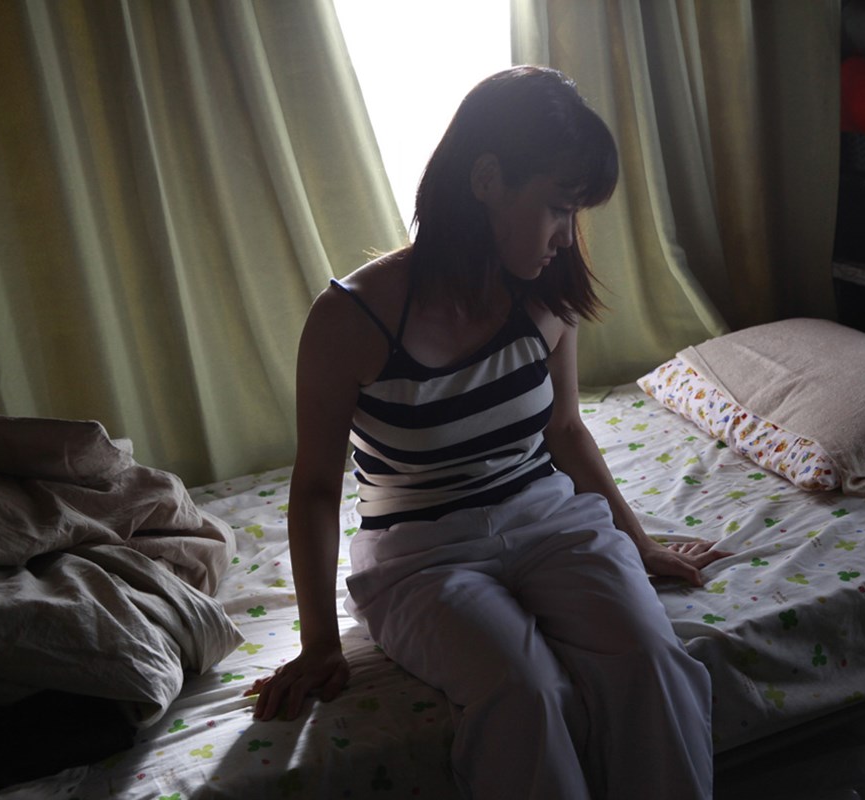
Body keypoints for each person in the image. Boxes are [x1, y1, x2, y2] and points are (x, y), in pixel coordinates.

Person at [250, 65, 725, 799]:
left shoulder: (546, 297)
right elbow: (315, 487)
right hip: (420, 555)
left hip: (549, 522)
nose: (566, 237)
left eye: (575, 213)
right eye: (557, 207)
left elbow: (566, 431)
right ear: (486, 179)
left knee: (655, 664)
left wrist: (639, 542)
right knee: (524, 695)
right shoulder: (351, 317)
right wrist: (318, 643)